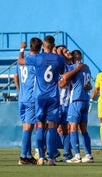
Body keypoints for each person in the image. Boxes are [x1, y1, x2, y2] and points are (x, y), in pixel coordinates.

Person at [18, 35, 65, 166]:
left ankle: (40, 157)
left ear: (44, 46)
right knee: (52, 126)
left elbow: (20, 61)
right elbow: (61, 72)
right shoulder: (59, 59)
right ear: (53, 45)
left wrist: (21, 49)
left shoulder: (37, 58)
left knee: (39, 125)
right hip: (53, 96)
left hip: (39, 96)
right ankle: (51, 158)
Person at [60, 49, 93, 163]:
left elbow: (64, 78)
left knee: (73, 127)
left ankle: (77, 156)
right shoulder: (87, 68)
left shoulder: (74, 67)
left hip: (76, 100)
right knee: (83, 129)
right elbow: (88, 84)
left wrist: (75, 68)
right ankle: (88, 155)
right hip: (85, 99)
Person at [14, 37, 42, 165]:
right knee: (29, 128)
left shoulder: (21, 60)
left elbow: (16, 77)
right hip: (31, 98)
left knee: (26, 126)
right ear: (39, 48)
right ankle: (22, 157)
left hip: (22, 97)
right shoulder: (36, 61)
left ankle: (28, 155)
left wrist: (21, 49)